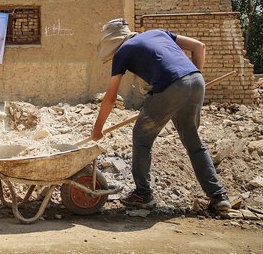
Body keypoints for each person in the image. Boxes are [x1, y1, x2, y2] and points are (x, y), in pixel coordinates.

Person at [90, 18, 231, 212]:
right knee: (193, 142)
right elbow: (200, 46)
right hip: (196, 80)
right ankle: (218, 196)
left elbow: (111, 96)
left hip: (170, 86)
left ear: (111, 42)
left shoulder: (123, 52)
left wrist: (98, 128)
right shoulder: (158, 32)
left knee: (141, 138)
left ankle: (143, 194)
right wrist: (191, 80)